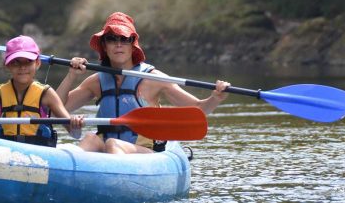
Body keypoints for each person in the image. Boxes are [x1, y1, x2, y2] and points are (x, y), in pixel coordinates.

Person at [56, 12, 230, 154]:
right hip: (107, 149)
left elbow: (198, 109)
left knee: (113, 145)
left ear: (133, 46)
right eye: (112, 39)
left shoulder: (154, 79)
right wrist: (71, 75)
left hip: (144, 152)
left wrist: (216, 97)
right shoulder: (97, 81)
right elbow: (56, 109)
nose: (118, 44)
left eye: (125, 39)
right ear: (104, 45)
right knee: (90, 139)